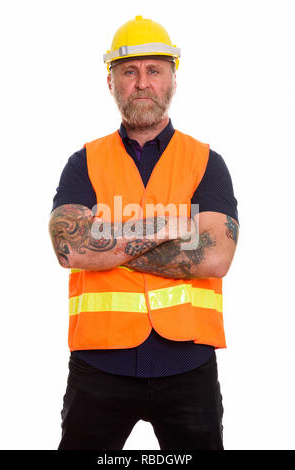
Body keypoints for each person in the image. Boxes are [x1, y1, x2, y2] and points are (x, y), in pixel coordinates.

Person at [49, 15, 239, 451]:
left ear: (172, 78)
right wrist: (174, 228)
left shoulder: (207, 163)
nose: (142, 83)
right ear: (111, 82)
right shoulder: (84, 163)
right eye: (129, 71)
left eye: (154, 70)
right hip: (98, 367)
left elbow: (216, 257)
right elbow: (69, 247)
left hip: (188, 366)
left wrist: (106, 242)